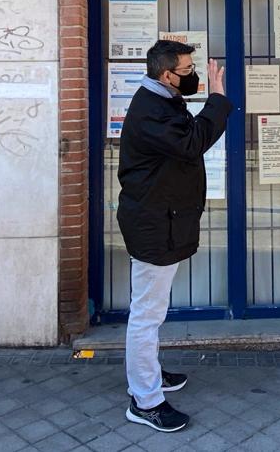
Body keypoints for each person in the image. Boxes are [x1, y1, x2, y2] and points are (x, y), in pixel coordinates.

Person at [117, 40, 231, 433]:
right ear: (166, 75)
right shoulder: (152, 111)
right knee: (146, 315)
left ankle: (147, 373)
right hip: (153, 224)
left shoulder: (162, 100)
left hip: (162, 220)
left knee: (153, 309)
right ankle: (145, 400)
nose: (194, 74)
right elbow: (192, 142)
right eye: (187, 69)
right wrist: (217, 99)